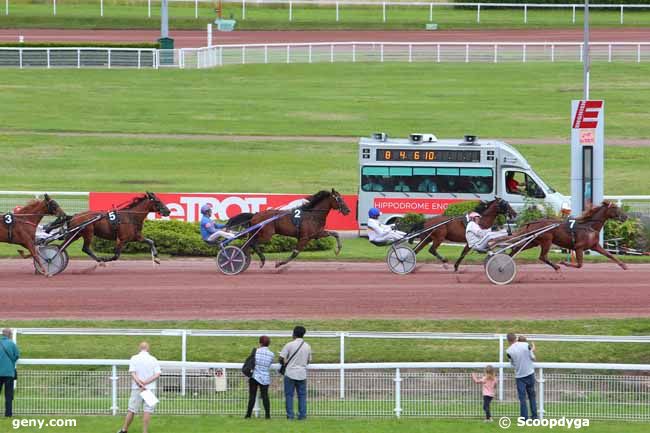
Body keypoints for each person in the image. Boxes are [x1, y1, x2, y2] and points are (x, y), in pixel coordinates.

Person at [118, 342, 161, 433]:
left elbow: (133, 373)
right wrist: (146, 383)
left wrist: (140, 383)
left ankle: (124, 429)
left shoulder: (134, 358)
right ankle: (144, 431)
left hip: (136, 388)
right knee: (147, 410)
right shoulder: (153, 359)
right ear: (148, 348)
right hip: (150, 388)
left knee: (132, 409)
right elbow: (157, 374)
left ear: (139, 348)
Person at [279, 326, 312, 420]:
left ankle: (290, 416)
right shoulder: (307, 346)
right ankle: (302, 415)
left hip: (290, 373)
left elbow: (281, 359)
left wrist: (286, 361)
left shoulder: (289, 345)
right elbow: (308, 361)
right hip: (302, 374)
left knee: (289, 395)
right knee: (302, 396)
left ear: (294, 333)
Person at [506, 333, 538, 420]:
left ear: (508, 341)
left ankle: (524, 418)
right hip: (530, 373)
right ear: (515, 338)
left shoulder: (508, 351)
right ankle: (535, 417)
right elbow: (532, 357)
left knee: (522, 399)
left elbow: (512, 363)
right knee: (532, 396)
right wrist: (532, 350)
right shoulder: (526, 345)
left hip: (520, 377)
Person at [245, 336, 274, 419]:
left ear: (260, 343)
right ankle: (267, 415)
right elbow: (270, 363)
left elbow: (251, 362)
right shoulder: (271, 354)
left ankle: (248, 415)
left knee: (252, 396)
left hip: (254, 375)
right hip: (265, 377)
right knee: (265, 396)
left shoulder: (256, 351)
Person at [0, 329, 19, 417]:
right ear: (10, 335)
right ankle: (8, 414)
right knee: (8, 395)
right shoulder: (12, 344)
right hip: (9, 373)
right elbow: (16, 356)